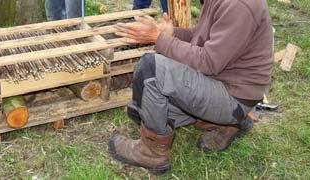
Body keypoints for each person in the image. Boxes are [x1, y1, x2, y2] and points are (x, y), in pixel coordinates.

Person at [109, 0, 273, 174]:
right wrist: (173, 33)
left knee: (151, 68)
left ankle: (152, 153)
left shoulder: (238, 5)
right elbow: (203, 36)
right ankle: (221, 123)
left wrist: (159, 38)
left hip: (233, 97)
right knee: (138, 110)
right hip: (221, 84)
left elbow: (208, 62)